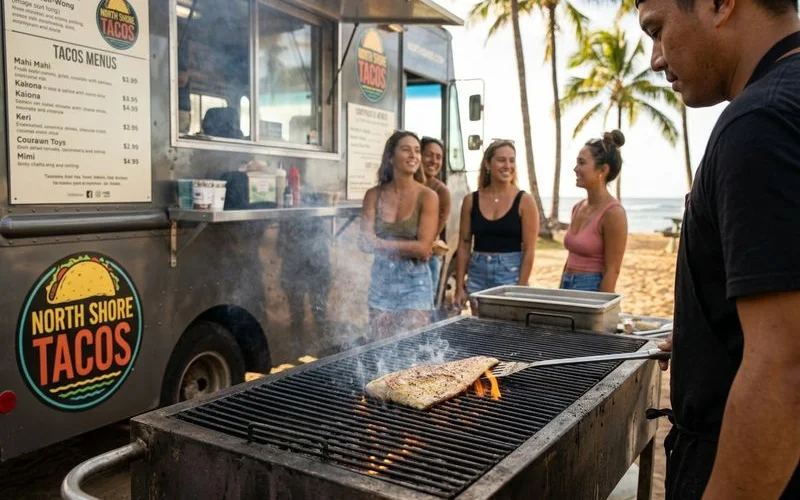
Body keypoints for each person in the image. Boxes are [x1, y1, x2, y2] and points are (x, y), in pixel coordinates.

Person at [636, 0, 800, 496]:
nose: (656, 59)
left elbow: (786, 368)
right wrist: (710, 339)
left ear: (720, 4)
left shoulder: (760, 124)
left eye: (658, 29)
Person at [360, 131, 439, 339]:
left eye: (416, 151)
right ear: (390, 157)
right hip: (381, 280)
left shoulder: (428, 196)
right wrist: (404, 247)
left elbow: (423, 248)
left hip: (415, 281)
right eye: (406, 149)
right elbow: (364, 242)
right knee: (380, 348)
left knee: (413, 348)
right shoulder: (373, 195)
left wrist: (379, 242)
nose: (413, 155)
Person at [453, 140, 539, 314]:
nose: (507, 165)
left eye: (511, 160)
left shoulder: (525, 201)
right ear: (487, 164)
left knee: (507, 332)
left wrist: (521, 289)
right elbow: (464, 244)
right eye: (501, 160)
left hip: (510, 274)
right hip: (477, 273)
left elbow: (529, 250)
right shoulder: (471, 200)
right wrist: (459, 287)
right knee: (479, 330)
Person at [560, 130, 628, 293]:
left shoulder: (613, 213)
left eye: (582, 163)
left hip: (590, 287)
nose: (575, 169)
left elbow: (613, 270)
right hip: (567, 283)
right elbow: (570, 258)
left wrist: (600, 308)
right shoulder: (578, 208)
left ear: (602, 170)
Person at [421, 136, 451, 305]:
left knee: (424, 311)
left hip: (427, 259)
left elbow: (433, 232)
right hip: (399, 259)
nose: (433, 161)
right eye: (428, 155)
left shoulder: (441, 191)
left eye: (438, 157)